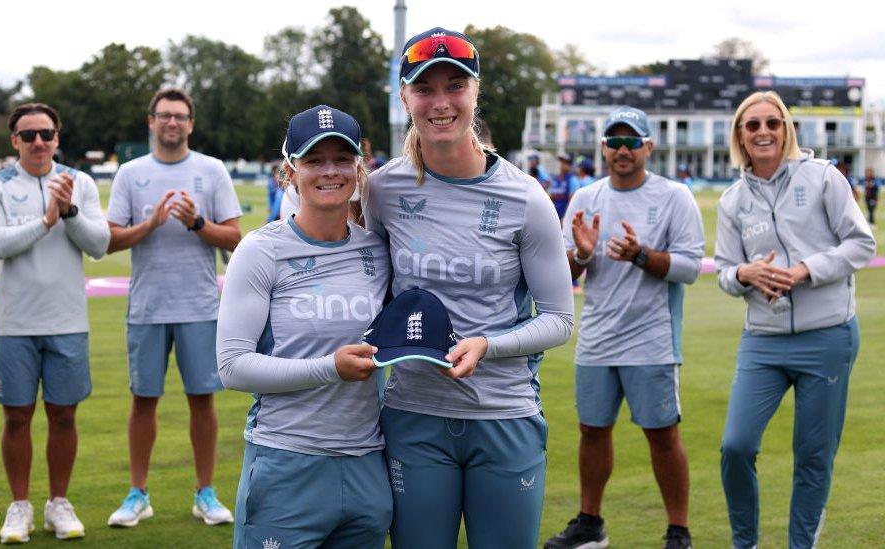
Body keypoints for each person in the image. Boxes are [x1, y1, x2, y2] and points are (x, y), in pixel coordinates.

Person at [364, 27, 575, 549]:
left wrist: (489, 344)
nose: (440, 102)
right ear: (405, 98)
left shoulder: (526, 198)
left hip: (503, 413)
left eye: (454, 86)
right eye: (424, 88)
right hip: (413, 413)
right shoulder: (382, 190)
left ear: (475, 92)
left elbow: (559, 319)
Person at [217, 104, 392, 549]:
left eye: (341, 159)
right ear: (290, 171)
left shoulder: (378, 250)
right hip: (286, 462)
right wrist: (328, 367)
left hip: (366, 465)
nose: (329, 171)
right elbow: (233, 367)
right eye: (314, 160)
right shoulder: (261, 252)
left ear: (360, 167)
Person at [715, 91, 875, 549]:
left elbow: (861, 244)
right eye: (753, 125)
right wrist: (744, 273)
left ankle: (800, 544)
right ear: (740, 137)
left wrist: (806, 270)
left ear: (786, 130)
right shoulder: (732, 200)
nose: (763, 132)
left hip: (828, 336)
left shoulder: (823, 177)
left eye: (773, 123)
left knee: (812, 456)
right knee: (736, 446)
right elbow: (725, 270)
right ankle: (744, 542)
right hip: (762, 340)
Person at [544, 106, 704, 549]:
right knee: (592, 430)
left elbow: (690, 268)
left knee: (662, 434)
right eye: (614, 142)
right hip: (597, 336)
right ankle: (590, 523)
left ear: (648, 147)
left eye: (632, 142)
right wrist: (580, 254)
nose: (622, 150)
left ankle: (678, 530)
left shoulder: (675, 197)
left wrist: (640, 254)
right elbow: (565, 274)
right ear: (603, 148)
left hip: (652, 338)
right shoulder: (586, 199)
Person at [0, 103, 110, 543]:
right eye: (28, 135)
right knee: (16, 417)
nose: (38, 142)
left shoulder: (80, 182)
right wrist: (45, 220)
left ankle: (58, 503)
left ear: (57, 137)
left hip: (67, 319)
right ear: (13, 140)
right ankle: (19, 507)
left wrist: (68, 213)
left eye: (46, 134)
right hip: (14, 322)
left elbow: (100, 244)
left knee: (64, 416)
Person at [105, 88, 241, 529]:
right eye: (164, 116)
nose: (172, 123)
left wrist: (197, 223)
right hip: (147, 306)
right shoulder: (130, 173)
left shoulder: (211, 170)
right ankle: (137, 494)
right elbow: (110, 239)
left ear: (191, 124)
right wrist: (150, 224)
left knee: (203, 400)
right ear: (151, 122)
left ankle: (205, 493)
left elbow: (236, 238)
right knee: (143, 399)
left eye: (180, 117)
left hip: (199, 304)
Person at [548, 152, 577, 220]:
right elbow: (550, 198)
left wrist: (565, 218)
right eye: (561, 162)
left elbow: (572, 202)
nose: (562, 165)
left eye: (565, 163)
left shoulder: (572, 180)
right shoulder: (555, 179)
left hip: (565, 217)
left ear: (570, 165)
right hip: (554, 216)